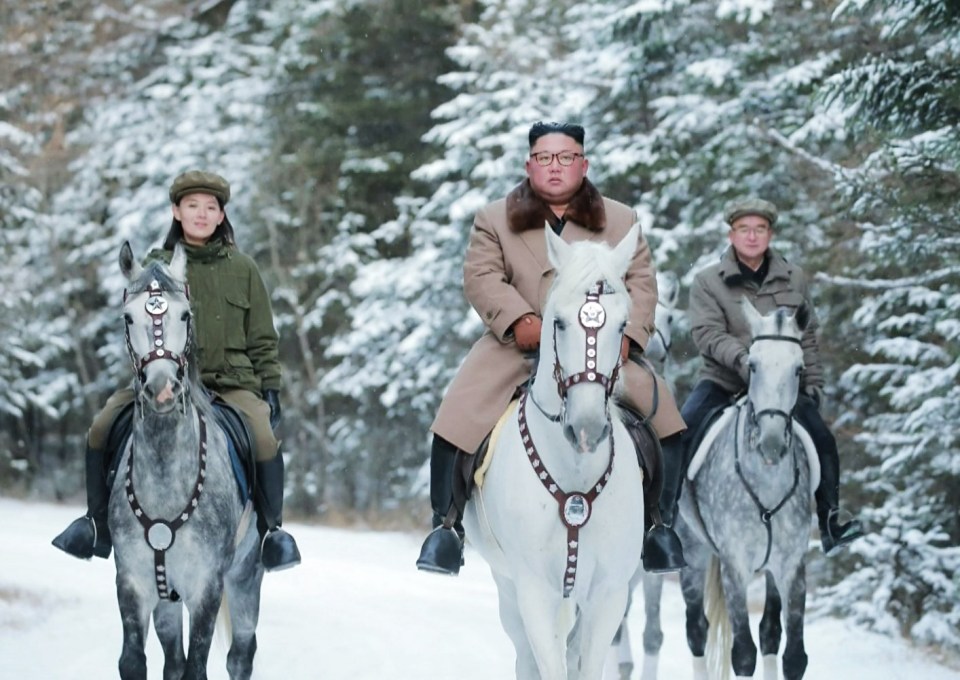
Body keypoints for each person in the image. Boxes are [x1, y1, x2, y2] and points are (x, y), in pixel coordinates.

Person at [416, 121, 687, 575]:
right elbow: (481, 276)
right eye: (545, 158)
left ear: (583, 164)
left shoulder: (621, 220)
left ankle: (660, 525)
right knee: (455, 420)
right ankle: (446, 528)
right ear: (529, 164)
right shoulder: (494, 218)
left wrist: (628, 336)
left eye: (565, 158)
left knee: (669, 424)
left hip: (597, 349)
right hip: (517, 346)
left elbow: (641, 281)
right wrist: (520, 320)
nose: (555, 167)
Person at [52, 170, 301, 571]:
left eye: (210, 207)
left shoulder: (244, 269)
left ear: (221, 216)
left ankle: (273, 533)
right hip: (163, 380)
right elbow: (137, 325)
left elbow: (262, 339)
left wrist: (269, 388)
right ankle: (96, 523)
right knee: (100, 427)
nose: (201, 214)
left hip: (232, 384)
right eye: (192, 206)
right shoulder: (155, 267)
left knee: (264, 439)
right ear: (176, 211)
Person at [658, 196, 863, 554]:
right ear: (732, 234)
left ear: (770, 234)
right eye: (744, 230)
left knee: (823, 439)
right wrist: (744, 360)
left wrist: (812, 383)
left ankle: (830, 521)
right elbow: (706, 333)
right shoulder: (708, 280)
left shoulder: (794, 278)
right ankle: (664, 527)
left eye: (759, 229)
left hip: (780, 387)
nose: (752, 237)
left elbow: (807, 336)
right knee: (680, 435)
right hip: (723, 380)